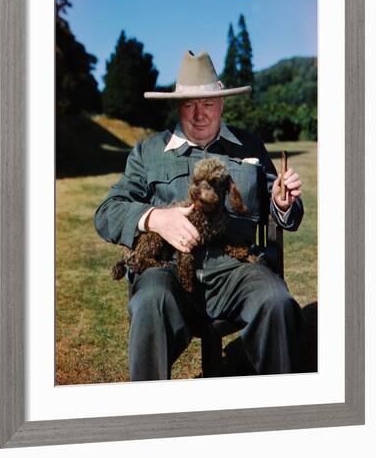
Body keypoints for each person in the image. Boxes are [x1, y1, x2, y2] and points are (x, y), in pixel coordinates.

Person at [94, 50, 304, 381]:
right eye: (189, 104)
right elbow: (107, 212)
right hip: (168, 271)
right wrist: (155, 219)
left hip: (237, 269)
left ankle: (285, 410)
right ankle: (147, 418)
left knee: (276, 301)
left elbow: (283, 208)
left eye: (207, 104)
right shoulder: (147, 152)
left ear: (221, 103)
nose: (199, 114)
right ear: (178, 105)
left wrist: (283, 201)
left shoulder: (249, 146)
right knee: (150, 302)